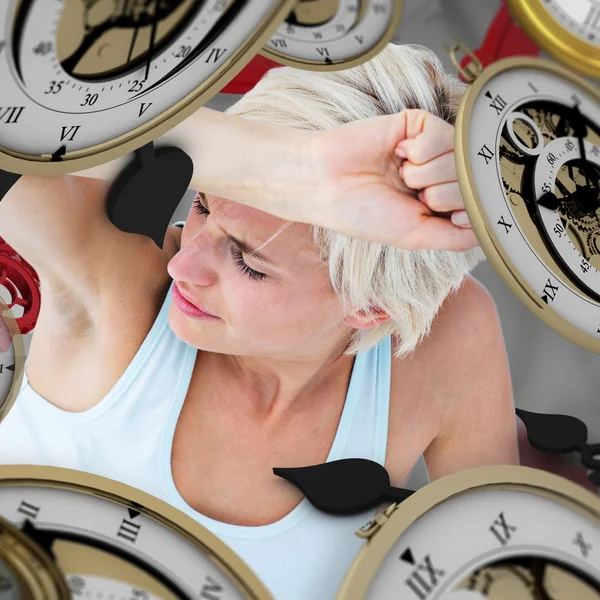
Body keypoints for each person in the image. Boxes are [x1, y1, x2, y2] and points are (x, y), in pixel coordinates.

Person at [0, 44, 518, 599]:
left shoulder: (450, 339)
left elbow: (510, 572)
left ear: (370, 308)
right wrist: (288, 166)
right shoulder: (118, 292)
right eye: (201, 205)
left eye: (249, 262)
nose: (183, 264)